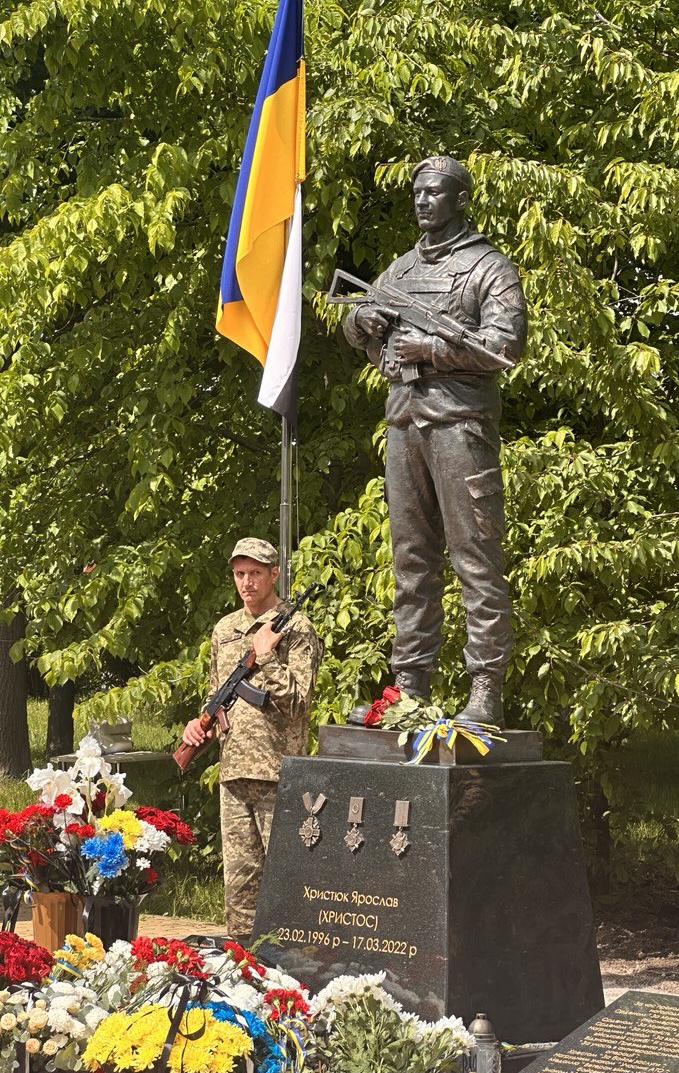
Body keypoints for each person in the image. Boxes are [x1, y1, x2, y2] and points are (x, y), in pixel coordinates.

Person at [342, 155, 526, 727]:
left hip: (460, 427)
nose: (423, 201)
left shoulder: (489, 268)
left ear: (460, 200)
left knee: (476, 559)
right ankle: (410, 688)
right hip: (404, 425)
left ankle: (485, 690)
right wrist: (362, 326)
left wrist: (431, 350)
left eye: (436, 193)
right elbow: (355, 319)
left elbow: (504, 346)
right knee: (411, 562)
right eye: (417, 193)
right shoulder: (397, 271)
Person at [181, 538, 319, 939]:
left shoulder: (295, 627)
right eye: (240, 574)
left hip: (279, 773)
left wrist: (267, 655)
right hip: (234, 773)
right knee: (239, 886)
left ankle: (295, 969)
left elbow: (298, 701)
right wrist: (199, 724)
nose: (247, 582)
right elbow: (216, 695)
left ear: (274, 574)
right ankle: (242, 965)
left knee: (287, 879)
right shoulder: (225, 629)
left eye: (256, 573)